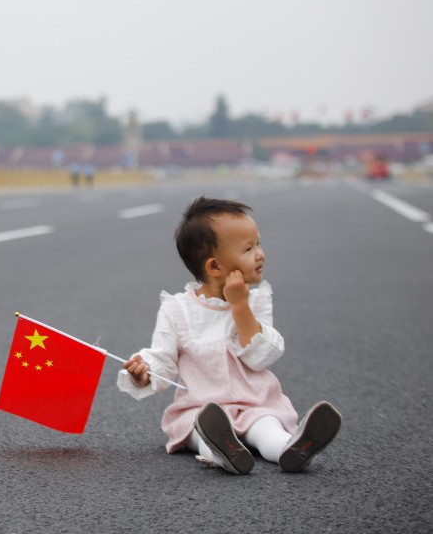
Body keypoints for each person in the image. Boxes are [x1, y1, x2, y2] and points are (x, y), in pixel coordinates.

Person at [118, 196, 342, 474]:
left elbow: (262, 356)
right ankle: (223, 450)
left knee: (266, 428)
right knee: (201, 431)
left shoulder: (256, 301)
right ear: (214, 267)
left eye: (258, 243)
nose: (260, 254)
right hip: (200, 408)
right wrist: (145, 372)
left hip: (254, 403)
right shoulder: (177, 309)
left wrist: (239, 306)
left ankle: (293, 448)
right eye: (248, 249)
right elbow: (163, 359)